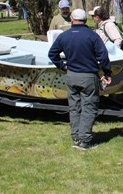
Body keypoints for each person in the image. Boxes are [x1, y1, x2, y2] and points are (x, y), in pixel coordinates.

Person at [48, 8, 112, 150]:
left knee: (74, 107)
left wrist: (62, 66)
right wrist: (107, 73)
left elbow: (52, 54)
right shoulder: (92, 36)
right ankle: (84, 140)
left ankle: (76, 136)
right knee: (89, 107)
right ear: (85, 20)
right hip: (88, 76)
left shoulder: (64, 36)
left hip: (71, 75)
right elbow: (103, 56)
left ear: (72, 19)